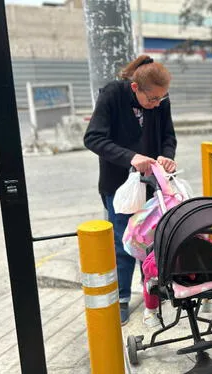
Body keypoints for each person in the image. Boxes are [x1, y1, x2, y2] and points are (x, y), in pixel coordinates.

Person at [84, 55, 177, 326]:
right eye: (152, 100)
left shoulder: (161, 100)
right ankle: (121, 299)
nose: (157, 104)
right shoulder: (113, 94)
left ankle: (153, 294)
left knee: (153, 241)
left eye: (162, 99)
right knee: (124, 244)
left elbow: (168, 136)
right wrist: (131, 157)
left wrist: (167, 156)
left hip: (152, 183)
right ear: (135, 88)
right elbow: (93, 138)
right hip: (119, 184)